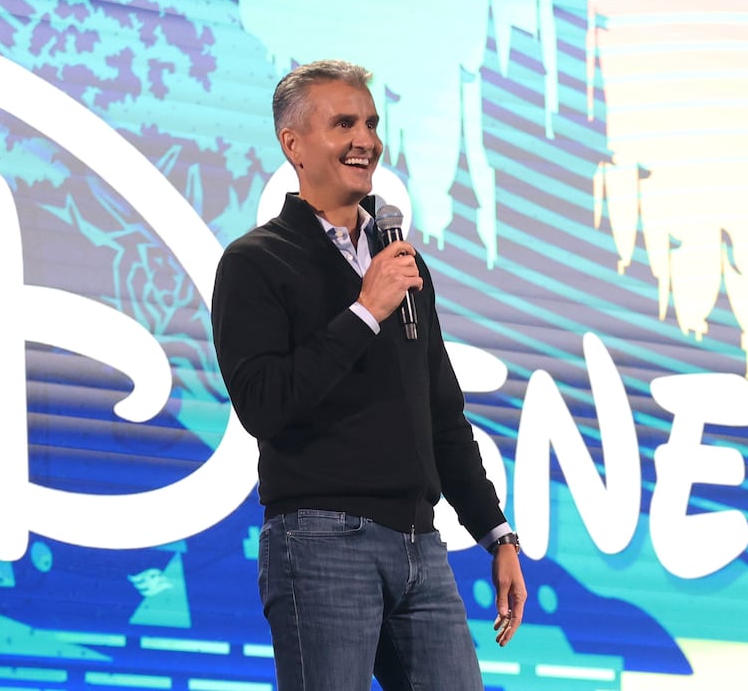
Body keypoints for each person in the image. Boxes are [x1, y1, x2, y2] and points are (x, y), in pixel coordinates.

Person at [211, 59, 527, 690]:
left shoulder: (401, 263)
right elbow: (263, 405)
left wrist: (497, 534)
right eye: (344, 124)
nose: (366, 141)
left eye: (372, 124)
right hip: (321, 539)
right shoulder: (256, 263)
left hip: (420, 543)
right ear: (294, 145)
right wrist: (363, 312)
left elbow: (441, 415)